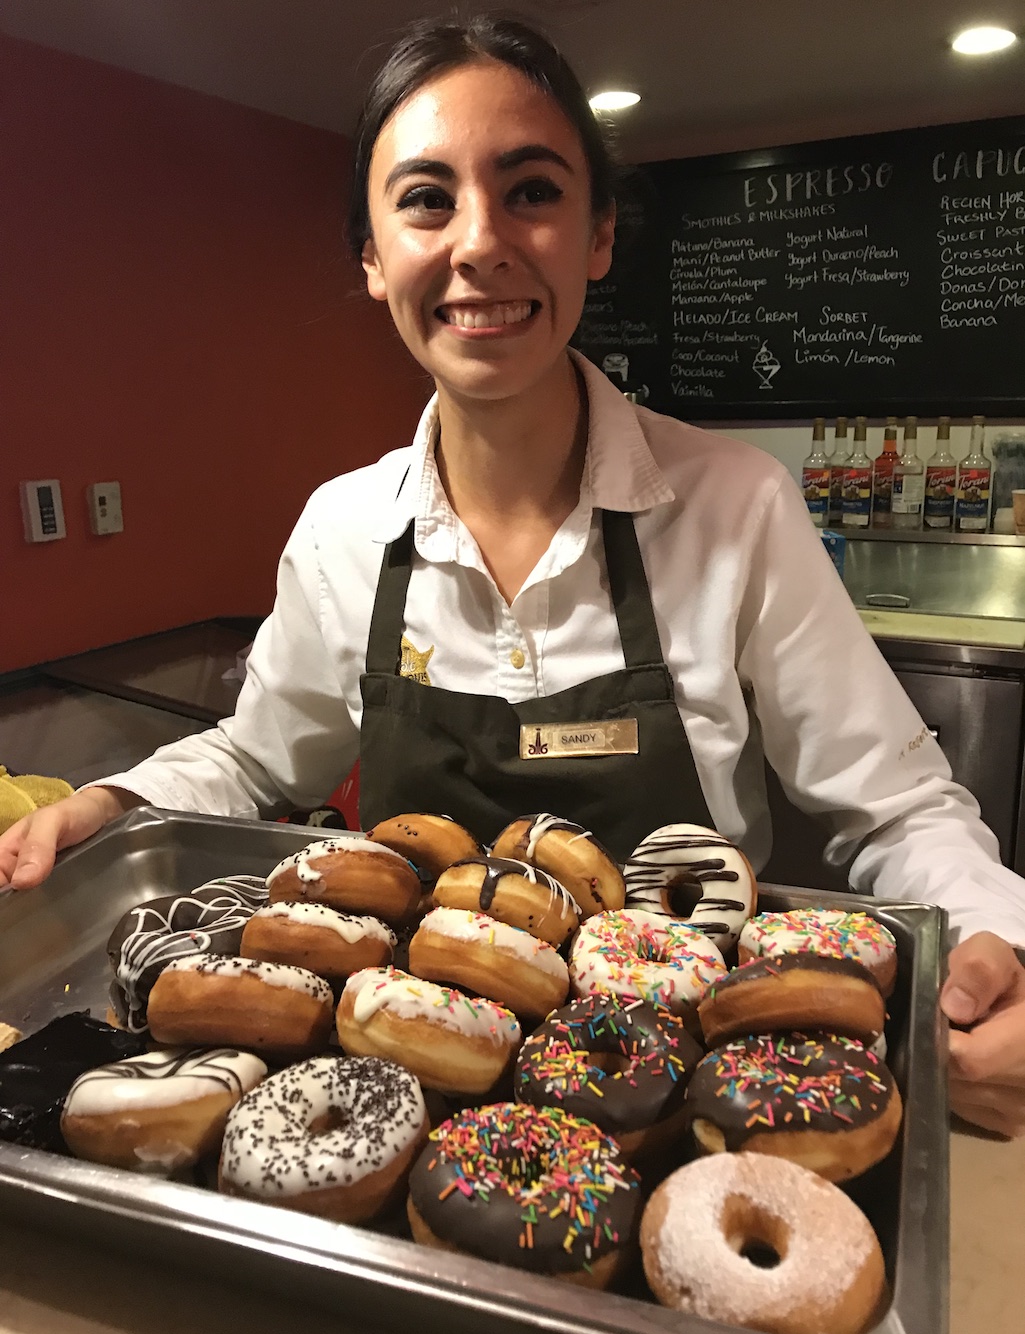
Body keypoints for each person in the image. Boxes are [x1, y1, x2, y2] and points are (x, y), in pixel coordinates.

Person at [1, 15, 1024, 1136]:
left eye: (530, 189)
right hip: (392, 1099)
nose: (478, 243)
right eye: (426, 199)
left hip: (684, 1102)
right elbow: (256, 755)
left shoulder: (734, 506)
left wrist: (994, 946)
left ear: (597, 234)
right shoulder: (343, 529)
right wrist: (113, 798)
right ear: (372, 253)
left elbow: (894, 804)